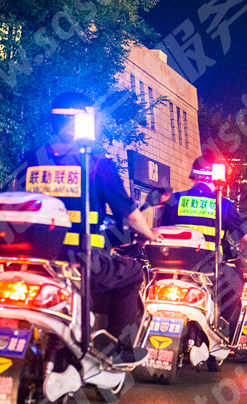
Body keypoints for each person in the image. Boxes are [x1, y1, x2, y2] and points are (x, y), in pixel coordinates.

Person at [17, 92, 159, 363]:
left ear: (52, 123)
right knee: (132, 273)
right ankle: (117, 348)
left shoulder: (32, 160)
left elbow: (17, 200)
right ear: (85, 123)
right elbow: (130, 216)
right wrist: (150, 234)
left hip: (35, 260)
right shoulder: (98, 165)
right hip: (82, 261)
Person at [159, 152, 247, 340]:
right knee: (235, 285)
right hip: (210, 269)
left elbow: (161, 231)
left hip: (172, 268)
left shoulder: (174, 200)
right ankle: (223, 333)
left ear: (193, 177)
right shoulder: (224, 205)